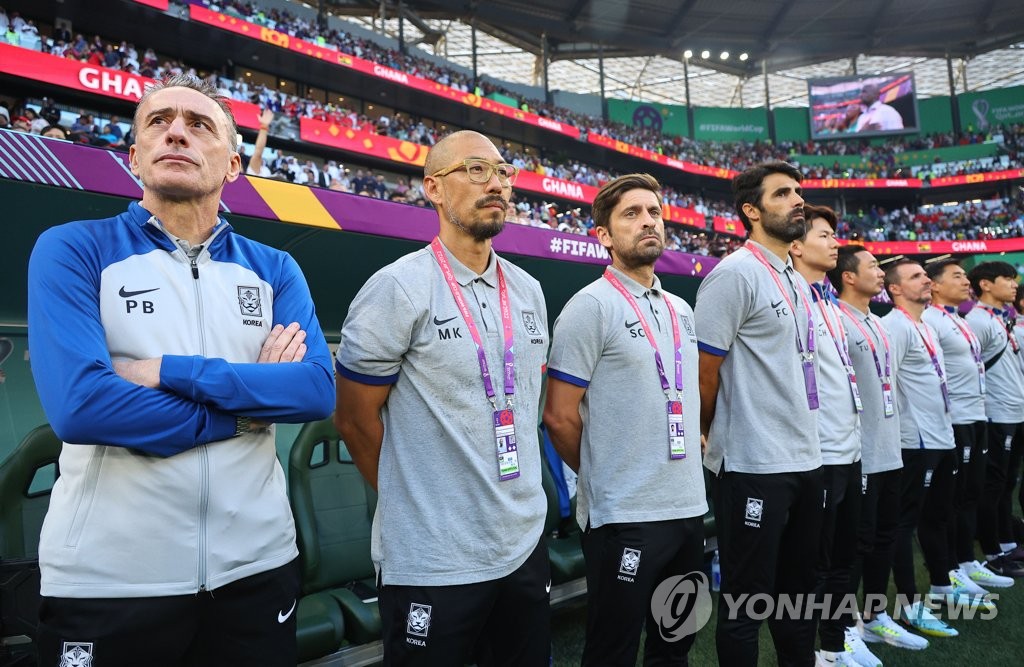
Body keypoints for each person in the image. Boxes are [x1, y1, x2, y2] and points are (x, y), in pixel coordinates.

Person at [27, 74, 335, 666]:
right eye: (158, 122)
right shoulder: (73, 248)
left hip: (258, 566)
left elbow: (316, 391)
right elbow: (82, 407)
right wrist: (249, 411)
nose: (176, 132)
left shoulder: (275, 268)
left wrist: (167, 369)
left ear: (233, 165)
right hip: (110, 581)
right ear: (135, 155)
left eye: (199, 125)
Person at [334, 130, 551, 665]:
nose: (495, 183)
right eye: (476, 170)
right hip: (432, 558)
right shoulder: (398, 287)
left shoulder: (529, 290)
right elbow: (355, 421)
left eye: (502, 171)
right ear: (433, 187)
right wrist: (419, 501)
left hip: (522, 544)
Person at [544, 173, 707, 666]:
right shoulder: (589, 307)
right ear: (604, 236)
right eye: (631, 214)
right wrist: (603, 469)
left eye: (653, 212)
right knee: (613, 649)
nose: (648, 221)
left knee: (675, 642)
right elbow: (558, 417)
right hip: (625, 517)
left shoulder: (681, 308)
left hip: (687, 507)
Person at [695, 161, 823, 667]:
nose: (798, 200)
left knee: (799, 594)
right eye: (782, 194)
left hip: (805, 458)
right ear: (751, 211)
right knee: (747, 602)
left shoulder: (796, 276)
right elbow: (704, 373)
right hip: (752, 464)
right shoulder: (733, 275)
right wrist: (713, 433)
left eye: (798, 191)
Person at [829, 246, 928, 652]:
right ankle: (845, 628)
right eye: (872, 266)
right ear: (848, 276)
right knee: (856, 543)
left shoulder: (879, 323)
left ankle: (874, 616)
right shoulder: (835, 320)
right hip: (860, 453)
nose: (880, 273)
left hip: (890, 448)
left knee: (885, 536)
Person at [790, 206, 876, 667]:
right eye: (825, 235)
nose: (835, 243)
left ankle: (835, 641)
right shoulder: (791, 298)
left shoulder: (827, 303)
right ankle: (814, 652)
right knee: (815, 566)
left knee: (845, 558)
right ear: (798, 246)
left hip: (850, 449)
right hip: (817, 454)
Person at [880, 260, 960, 638]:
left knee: (938, 515)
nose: (926, 279)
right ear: (894, 289)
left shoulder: (924, 324)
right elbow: (884, 385)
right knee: (903, 526)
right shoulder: (894, 326)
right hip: (916, 441)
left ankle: (943, 585)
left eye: (925, 275)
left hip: (941, 435)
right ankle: (908, 606)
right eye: (915, 276)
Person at [922, 260, 1011, 595]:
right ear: (935, 285)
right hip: (954, 420)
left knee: (972, 492)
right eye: (956, 276)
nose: (965, 282)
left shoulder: (957, 319)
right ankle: (948, 568)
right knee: (952, 500)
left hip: (976, 415)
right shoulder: (931, 319)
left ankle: (966, 562)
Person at [964, 262, 1024, 576]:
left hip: (1014, 410)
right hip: (996, 412)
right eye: (1008, 279)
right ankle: (992, 550)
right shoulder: (977, 320)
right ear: (986, 284)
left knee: (1006, 482)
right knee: (994, 484)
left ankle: (1007, 543)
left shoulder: (1002, 318)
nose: (1014, 285)